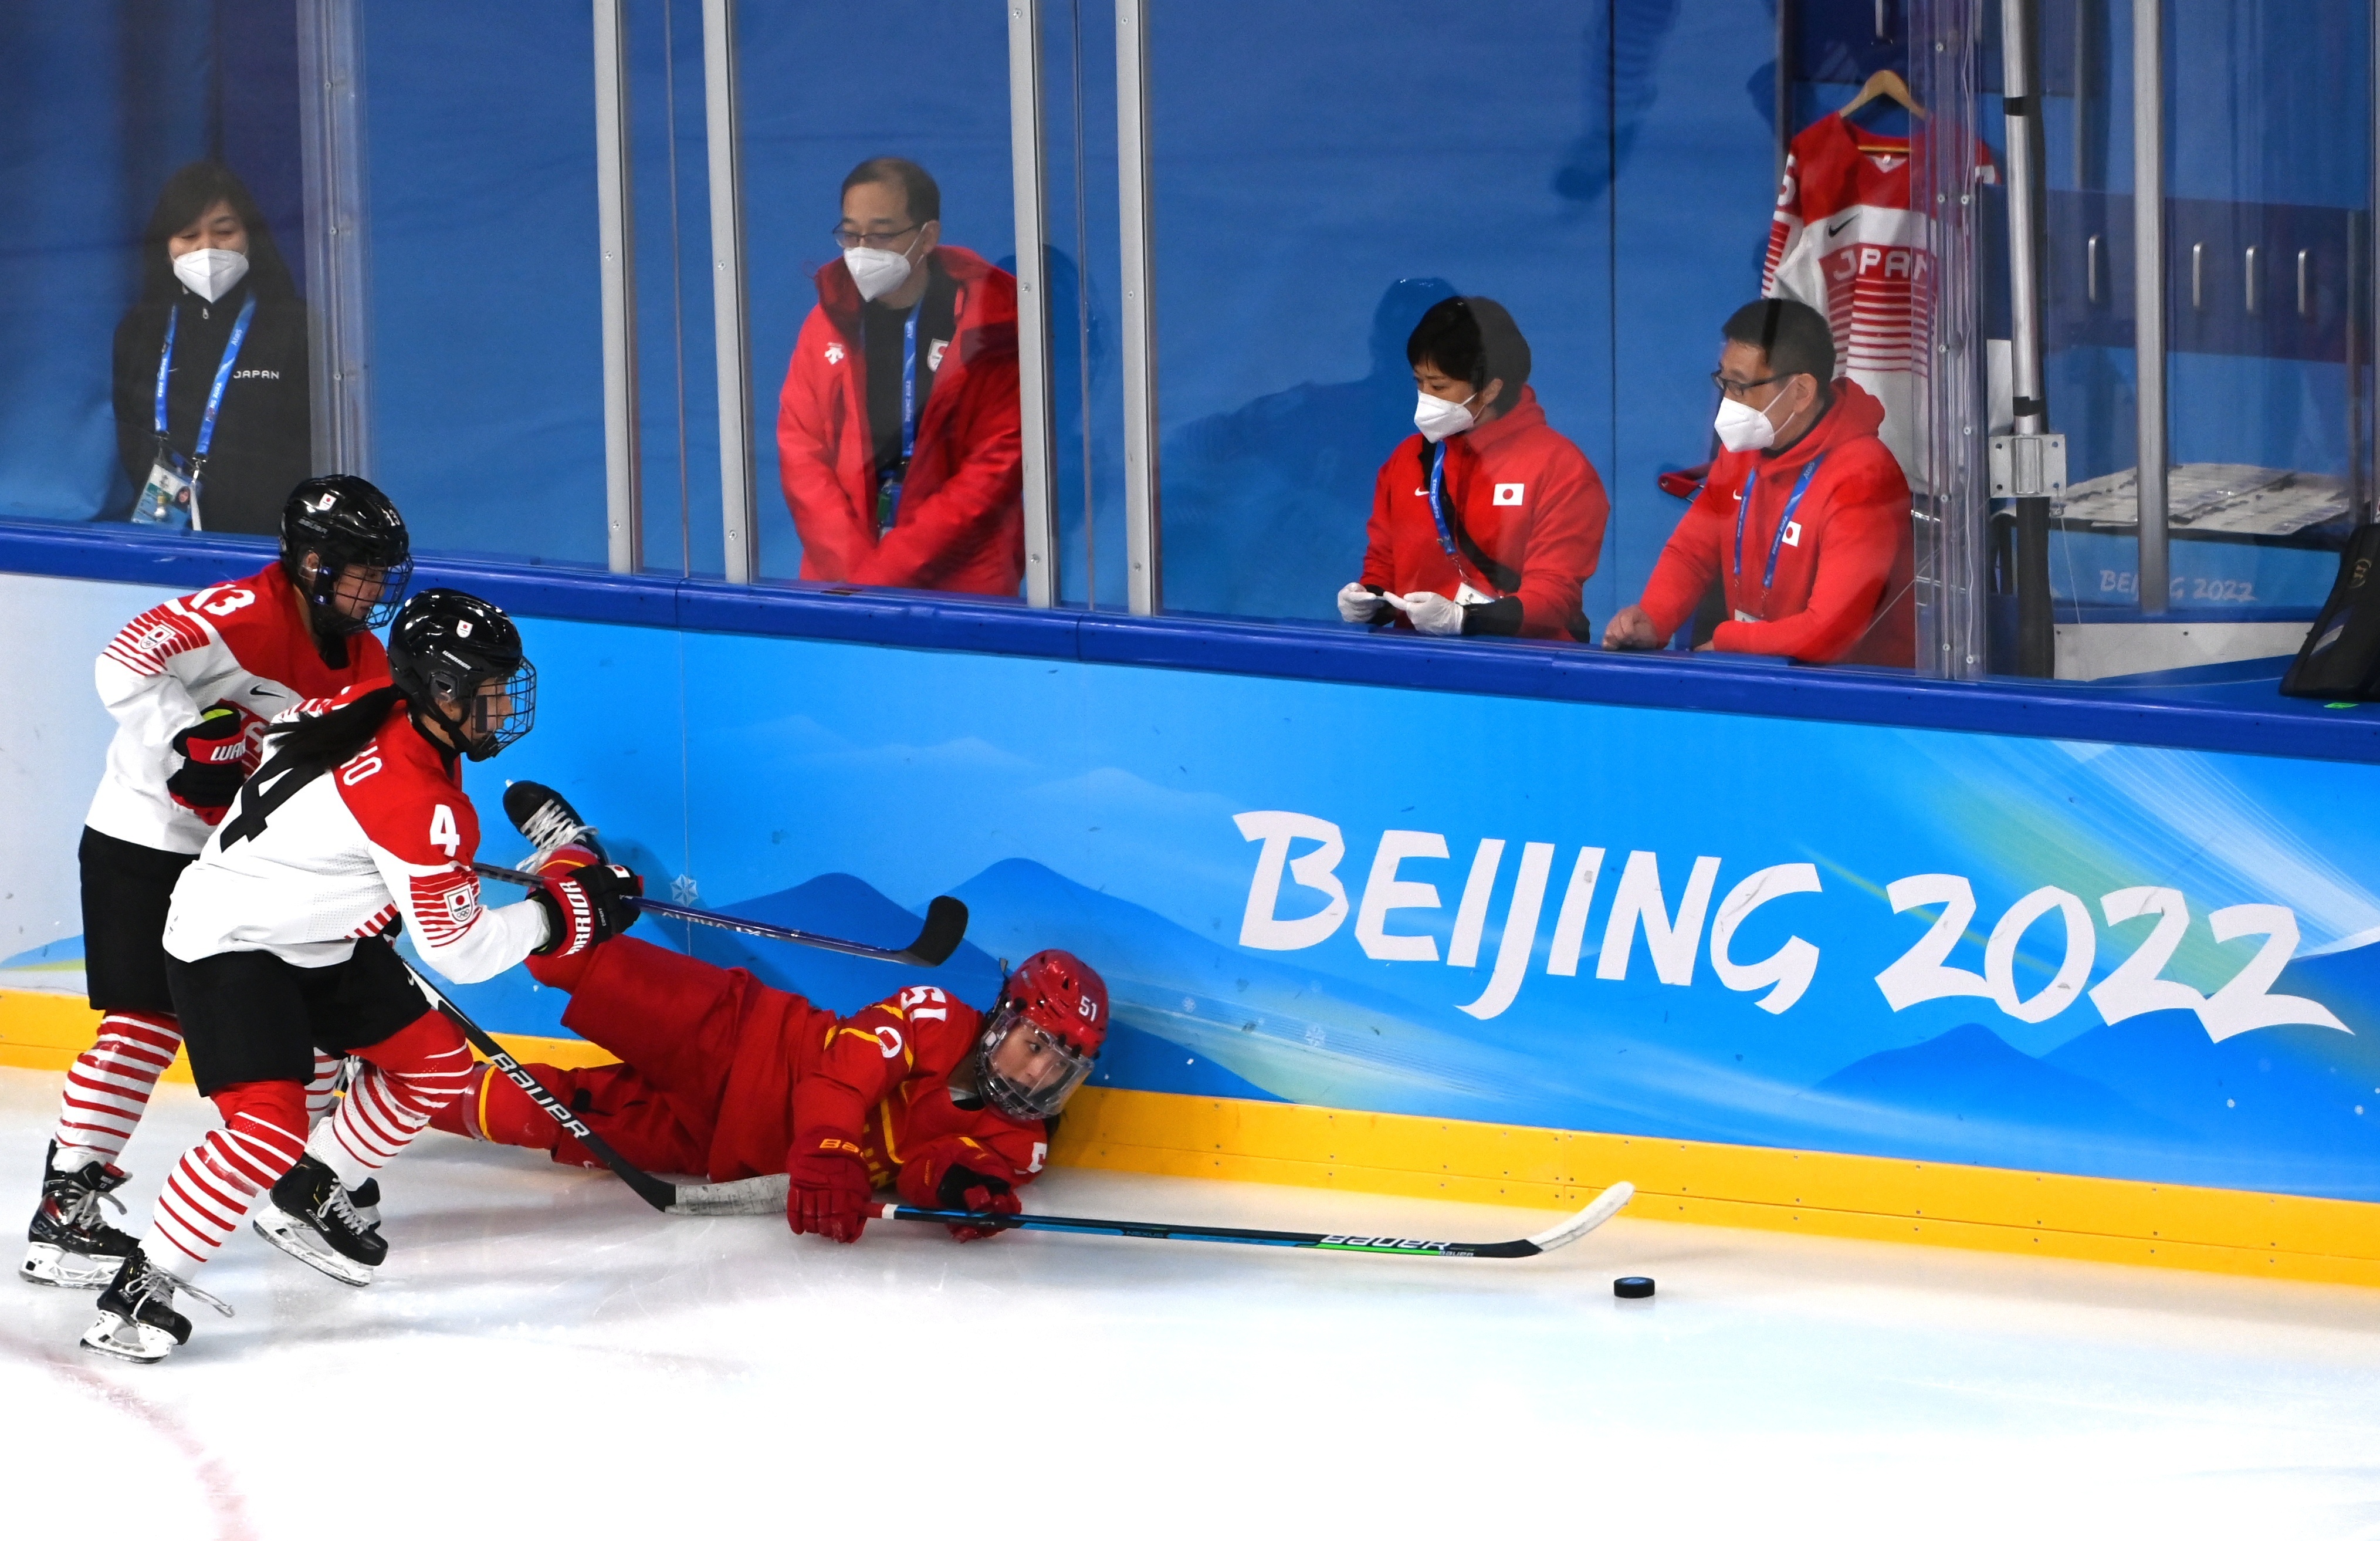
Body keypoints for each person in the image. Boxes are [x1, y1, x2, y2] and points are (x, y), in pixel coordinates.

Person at [78, 591, 645, 1363]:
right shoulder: (415, 795)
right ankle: (140, 1289)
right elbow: (463, 952)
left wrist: (366, 877)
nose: (503, 705)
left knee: (439, 1061)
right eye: (488, 688)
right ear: (442, 691)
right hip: (231, 943)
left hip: (315, 935)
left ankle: (314, 1188)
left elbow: (301, 767)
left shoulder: (373, 706)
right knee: (266, 1125)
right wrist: (566, 912)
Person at [23, 477, 411, 1292]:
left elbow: (355, 780)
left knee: (300, 1015)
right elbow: (121, 660)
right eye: (361, 571)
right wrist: (189, 736)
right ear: (311, 562)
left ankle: (296, 1181)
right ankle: (65, 1211)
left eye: (383, 573)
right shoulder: (240, 615)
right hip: (150, 838)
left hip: (250, 864)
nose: (374, 589)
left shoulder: (368, 661)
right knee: (146, 1023)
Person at [429, 784, 1108, 1246]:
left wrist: (964, 1195)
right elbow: (840, 1077)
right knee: (557, 959)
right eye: (1036, 1043)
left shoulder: (1022, 1146)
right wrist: (828, 1150)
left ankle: (383, 1081)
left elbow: (927, 1166)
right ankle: (576, 855)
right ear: (1003, 1018)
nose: (1039, 1072)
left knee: (541, 1113)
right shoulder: (936, 1016)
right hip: (734, 1037)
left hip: (721, 1150)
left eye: (1061, 1063)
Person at [1604, 299, 1914, 666]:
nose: (1728, 400)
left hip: (1852, 697)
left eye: (1740, 387)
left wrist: (1729, 640)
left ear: (1800, 392)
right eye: (1724, 381)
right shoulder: (1743, 451)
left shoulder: (1864, 476)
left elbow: (1830, 632)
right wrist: (1653, 620)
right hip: (1761, 671)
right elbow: (1692, 552)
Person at [776, 157, 1023, 596]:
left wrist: (880, 577)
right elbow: (802, 455)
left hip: (958, 585)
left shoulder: (989, 330)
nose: (862, 249)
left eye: (882, 234)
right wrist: (856, 577)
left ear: (927, 237)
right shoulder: (826, 323)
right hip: (841, 583)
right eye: (851, 234)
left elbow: (991, 471)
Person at [1336, 296, 1608, 641]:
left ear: (1491, 388)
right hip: (1416, 665)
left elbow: (1556, 594)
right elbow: (1385, 561)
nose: (1425, 398)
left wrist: (1466, 620)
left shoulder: (1561, 468)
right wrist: (1371, 598)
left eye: (1439, 387)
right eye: (1419, 383)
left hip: (1524, 669)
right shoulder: (1406, 460)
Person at [111, 161, 312, 535]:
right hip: (170, 533)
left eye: (224, 231)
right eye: (188, 235)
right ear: (165, 246)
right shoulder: (139, 331)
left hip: (272, 543)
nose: (207, 248)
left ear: (251, 235)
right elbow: (131, 435)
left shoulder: (298, 325)